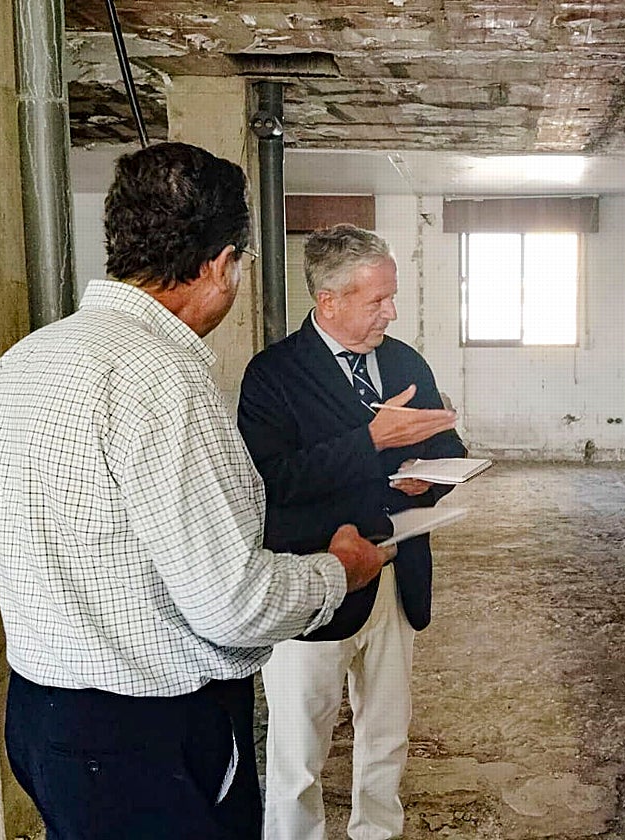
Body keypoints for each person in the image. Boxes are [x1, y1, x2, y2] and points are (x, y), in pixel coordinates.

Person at [0, 142, 391, 839]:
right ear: (223, 264)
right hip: (148, 731)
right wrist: (339, 572)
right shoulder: (165, 381)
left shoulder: (23, 360)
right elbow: (235, 606)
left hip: (39, 716)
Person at [238, 224, 465, 840]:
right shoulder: (273, 375)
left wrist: (432, 478)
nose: (390, 312)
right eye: (377, 301)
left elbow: (448, 444)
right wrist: (371, 442)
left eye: (392, 298)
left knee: (387, 736)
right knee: (299, 753)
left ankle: (377, 832)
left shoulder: (403, 360)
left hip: (395, 575)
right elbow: (270, 482)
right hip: (314, 584)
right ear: (328, 301)